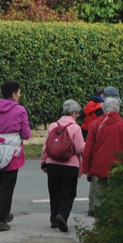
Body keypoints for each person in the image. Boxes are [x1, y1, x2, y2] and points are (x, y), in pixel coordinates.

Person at [0, 80, 32, 231]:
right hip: (12, 152)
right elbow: (26, 134)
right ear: (14, 93)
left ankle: (3, 212)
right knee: (8, 186)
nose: (20, 95)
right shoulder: (20, 110)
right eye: (19, 93)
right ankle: (1, 219)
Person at [39, 99, 86, 232]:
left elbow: (46, 147)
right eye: (78, 114)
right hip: (70, 165)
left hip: (52, 163)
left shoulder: (53, 126)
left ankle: (54, 219)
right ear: (74, 113)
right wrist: (86, 145)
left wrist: (44, 162)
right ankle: (63, 215)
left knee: (54, 191)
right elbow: (79, 149)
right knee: (69, 192)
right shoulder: (75, 128)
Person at [82, 95, 123, 216]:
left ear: (104, 109)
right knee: (116, 199)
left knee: (99, 199)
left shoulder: (95, 124)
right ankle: (112, 227)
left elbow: (88, 148)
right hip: (118, 168)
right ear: (118, 109)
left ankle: (100, 228)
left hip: (98, 167)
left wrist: (86, 168)